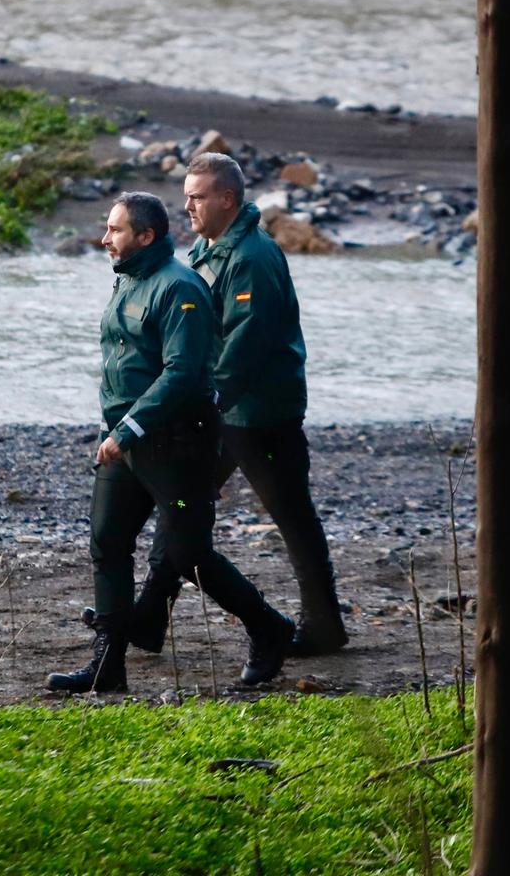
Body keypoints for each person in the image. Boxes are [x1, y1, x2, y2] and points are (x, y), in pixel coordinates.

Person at [48, 192, 296, 693]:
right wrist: (113, 429)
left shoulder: (180, 289)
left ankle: (270, 629)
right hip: (123, 443)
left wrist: (130, 428)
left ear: (147, 236)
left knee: (189, 555)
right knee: (108, 542)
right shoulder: (126, 282)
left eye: (115, 231)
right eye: (107, 229)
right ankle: (106, 667)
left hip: (179, 448)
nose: (104, 239)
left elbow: (182, 373)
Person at [123, 153, 350, 656]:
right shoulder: (211, 247)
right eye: (185, 196)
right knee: (183, 505)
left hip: (259, 413)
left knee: (291, 516)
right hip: (222, 411)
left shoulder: (251, 257)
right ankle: (148, 618)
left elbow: (245, 346)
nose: (186, 206)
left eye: (197, 197)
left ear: (227, 199)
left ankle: (323, 627)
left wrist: (199, 403)